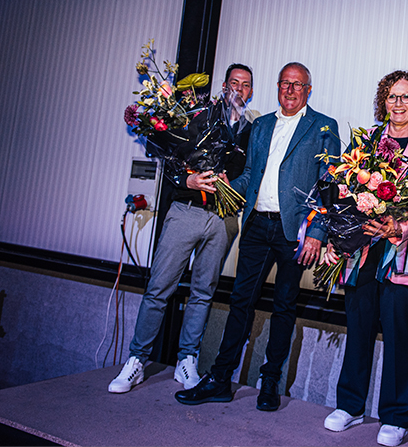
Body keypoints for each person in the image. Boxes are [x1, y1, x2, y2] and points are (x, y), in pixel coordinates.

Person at [174, 62, 340, 411]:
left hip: (293, 231)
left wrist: (318, 232)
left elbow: (328, 183)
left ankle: (270, 382)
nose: (290, 90)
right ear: (278, 87)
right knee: (240, 302)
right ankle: (221, 378)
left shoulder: (324, 126)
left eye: (298, 85)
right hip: (255, 226)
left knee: (284, 306)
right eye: (285, 83)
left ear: (308, 90)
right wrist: (222, 187)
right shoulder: (262, 125)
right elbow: (249, 174)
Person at [108, 64, 256, 393]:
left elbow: (250, 171)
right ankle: (136, 360)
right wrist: (186, 179)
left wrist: (237, 185)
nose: (239, 91)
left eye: (246, 86)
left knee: (203, 293)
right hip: (186, 210)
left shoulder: (251, 128)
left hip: (223, 218)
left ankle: (187, 360)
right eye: (235, 83)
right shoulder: (197, 114)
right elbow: (170, 155)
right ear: (223, 86)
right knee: (159, 288)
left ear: (251, 92)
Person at [323, 71, 408, 447]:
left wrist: (394, 227)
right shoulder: (369, 142)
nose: (399, 104)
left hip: (402, 250)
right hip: (363, 250)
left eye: (406, 97)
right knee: (357, 328)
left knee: (397, 333)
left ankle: (395, 416)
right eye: (392, 97)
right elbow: (345, 188)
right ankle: (351, 405)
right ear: (383, 102)